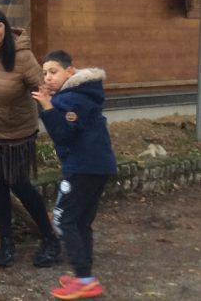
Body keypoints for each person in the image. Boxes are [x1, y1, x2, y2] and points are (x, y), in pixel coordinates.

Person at [0, 8, 60, 268]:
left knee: (19, 184)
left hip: (16, 135)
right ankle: (6, 241)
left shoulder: (22, 56)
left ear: (6, 29)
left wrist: (64, 113)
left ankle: (50, 237)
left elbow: (43, 88)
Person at [32, 50, 117, 300]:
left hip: (83, 168)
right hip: (96, 167)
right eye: (45, 73)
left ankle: (84, 279)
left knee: (63, 220)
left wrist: (47, 107)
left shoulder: (72, 100)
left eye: (53, 71)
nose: (48, 77)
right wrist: (50, 105)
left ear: (70, 71)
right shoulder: (79, 95)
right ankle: (85, 276)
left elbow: (63, 134)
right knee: (81, 222)